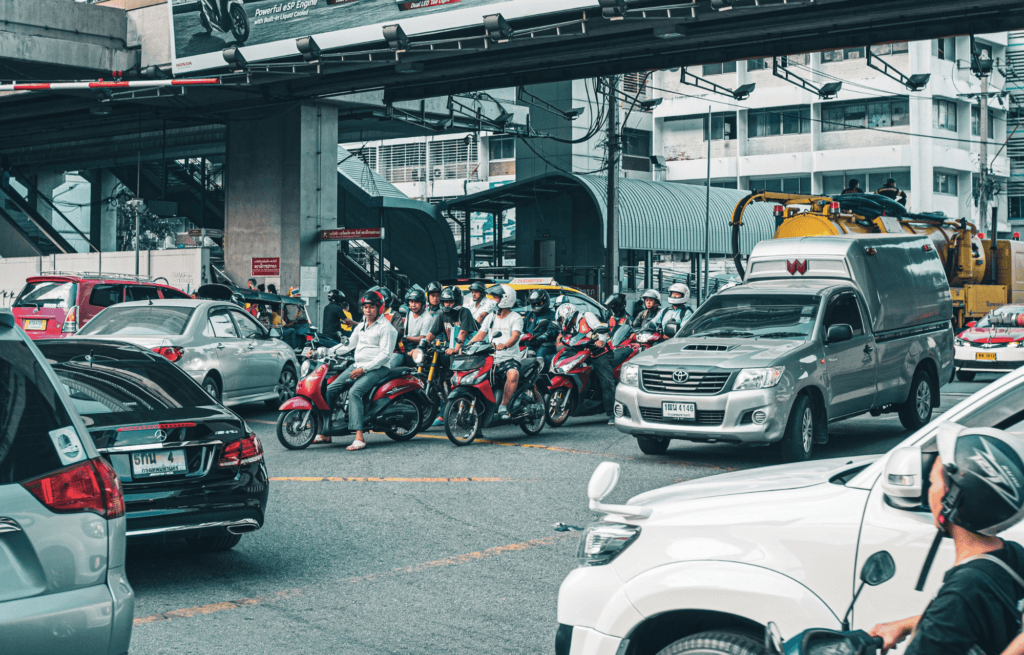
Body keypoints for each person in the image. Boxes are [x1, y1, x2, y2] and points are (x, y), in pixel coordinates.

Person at [869, 425, 1024, 655]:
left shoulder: (961, 592)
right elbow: (968, 614)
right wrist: (907, 624)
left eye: (933, 482)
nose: (930, 491)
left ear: (950, 498)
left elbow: (956, 611)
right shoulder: (1011, 555)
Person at [316, 290, 398, 451]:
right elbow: (348, 346)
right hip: (357, 365)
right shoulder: (360, 326)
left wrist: (363, 369)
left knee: (355, 392)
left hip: (378, 368)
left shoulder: (386, 328)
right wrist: (326, 352)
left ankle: (359, 437)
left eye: (372, 307)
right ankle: (325, 432)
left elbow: (385, 355)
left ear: (380, 308)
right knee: (329, 389)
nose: (368, 310)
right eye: (365, 307)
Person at [468, 284, 523, 419]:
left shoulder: (515, 317)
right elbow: (480, 335)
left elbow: (515, 336)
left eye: (496, 298)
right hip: (492, 358)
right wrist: (467, 347)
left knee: (513, 374)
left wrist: (505, 345)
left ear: (505, 299)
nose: (493, 301)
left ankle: (503, 405)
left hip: (510, 358)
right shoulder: (491, 317)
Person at [556, 303, 616, 424]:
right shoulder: (571, 326)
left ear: (568, 314)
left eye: (562, 318)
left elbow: (600, 329)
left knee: (606, 381)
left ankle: (612, 414)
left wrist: (601, 340)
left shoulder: (586, 316)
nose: (562, 321)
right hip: (585, 353)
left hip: (601, 353)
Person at [424, 287, 478, 359]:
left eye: (451, 302)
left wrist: (455, 349)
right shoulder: (442, 314)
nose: (448, 305)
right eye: (446, 302)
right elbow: (432, 333)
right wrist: (422, 345)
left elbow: (463, 332)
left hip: (468, 350)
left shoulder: (464, 312)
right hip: (451, 348)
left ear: (458, 302)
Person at [390, 288, 433, 368]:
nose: (413, 305)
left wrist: (407, 338)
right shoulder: (409, 313)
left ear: (422, 303)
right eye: (411, 302)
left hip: (418, 347)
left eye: (416, 302)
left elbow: (422, 339)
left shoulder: (427, 318)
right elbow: (405, 330)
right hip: (406, 345)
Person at [522, 289, 559, 369]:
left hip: (544, 344)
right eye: (534, 304)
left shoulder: (552, 315)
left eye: (539, 303)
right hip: (529, 344)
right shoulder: (529, 315)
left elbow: (553, 330)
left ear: (545, 301)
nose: (536, 305)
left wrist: (542, 337)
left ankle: (543, 377)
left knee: (540, 359)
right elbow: (521, 327)